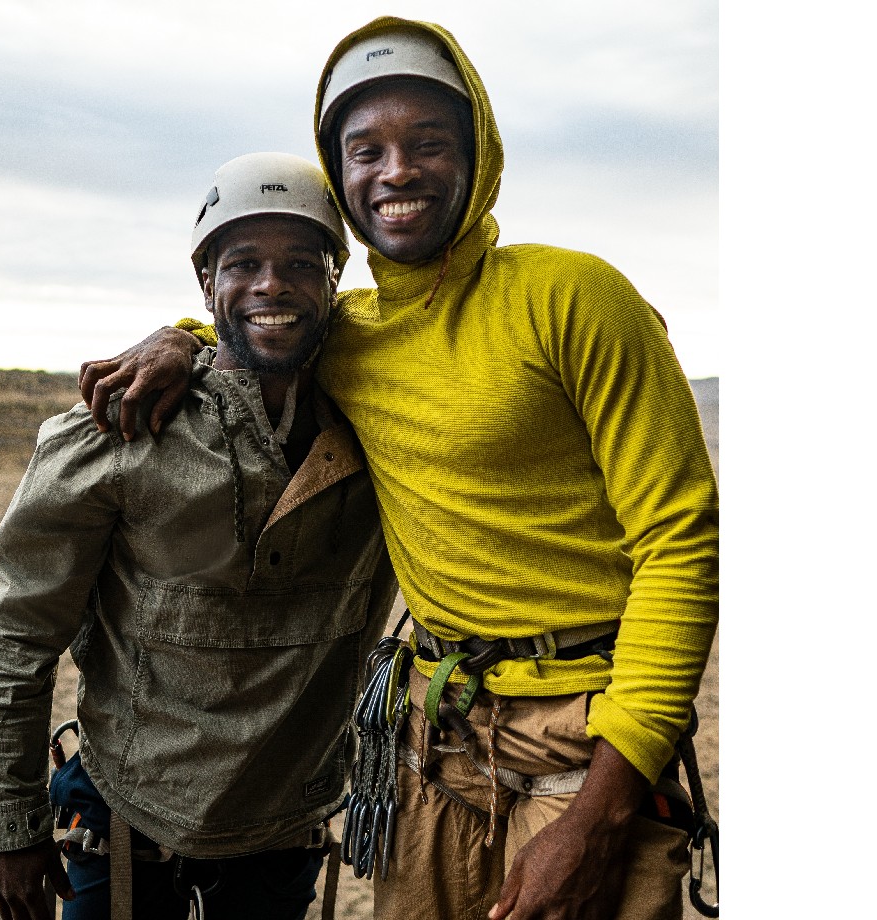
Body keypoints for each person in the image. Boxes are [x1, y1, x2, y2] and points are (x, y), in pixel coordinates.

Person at [78, 17, 718, 920]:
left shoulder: (575, 298)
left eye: (428, 142)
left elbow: (682, 544)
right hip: (435, 737)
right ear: (338, 175)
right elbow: (257, 320)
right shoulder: (350, 337)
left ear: (478, 153)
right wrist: (177, 340)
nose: (398, 171)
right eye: (365, 149)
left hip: (586, 734)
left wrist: (602, 813)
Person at [0, 151, 399, 920]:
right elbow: (17, 637)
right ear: (207, 282)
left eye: (302, 262)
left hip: (284, 835)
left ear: (335, 279)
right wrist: (9, 827)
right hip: (125, 830)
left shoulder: (382, 425)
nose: (274, 284)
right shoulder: (120, 427)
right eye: (245, 263)